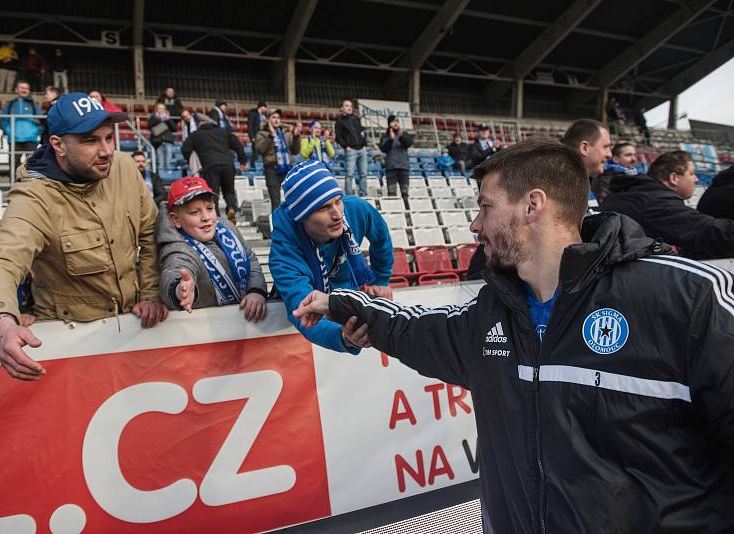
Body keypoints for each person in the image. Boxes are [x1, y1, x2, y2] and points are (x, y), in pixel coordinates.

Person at [293, 138, 734, 533]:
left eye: (485, 207)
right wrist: (341, 303)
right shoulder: (492, 313)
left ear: (532, 205)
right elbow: (415, 330)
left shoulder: (684, 299)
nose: (474, 225)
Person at [0, 92, 168, 381]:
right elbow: (0, 261)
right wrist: (3, 324)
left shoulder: (124, 167)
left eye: (108, 137)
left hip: (137, 334)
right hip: (69, 349)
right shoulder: (34, 196)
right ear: (58, 145)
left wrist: (152, 294)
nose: (106, 151)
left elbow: (151, 233)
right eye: (90, 140)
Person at [269, 159, 393, 354]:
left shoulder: (356, 209)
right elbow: (304, 312)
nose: (337, 214)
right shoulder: (284, 255)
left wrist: (382, 278)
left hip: (347, 296)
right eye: (323, 207)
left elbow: (381, 237)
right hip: (323, 319)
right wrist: (343, 336)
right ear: (302, 217)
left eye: (337, 201)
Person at [156, 176, 267, 320]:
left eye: (209, 208)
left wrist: (256, 290)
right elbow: (175, 269)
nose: (206, 217)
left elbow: (250, 260)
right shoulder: (177, 247)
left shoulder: (227, 227)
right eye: (194, 212)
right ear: (176, 220)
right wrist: (178, 290)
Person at [600, 150, 734, 259]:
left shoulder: (638, 193)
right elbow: (709, 231)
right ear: (674, 178)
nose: (696, 179)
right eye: (691, 173)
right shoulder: (655, 203)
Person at [180, 113, 248, 220]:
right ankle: (231, 208)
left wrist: (189, 158)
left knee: (213, 193)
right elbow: (237, 144)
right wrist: (242, 160)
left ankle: (217, 217)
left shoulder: (196, 135)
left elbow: (185, 148)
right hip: (228, 165)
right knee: (229, 191)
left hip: (210, 166)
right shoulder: (223, 132)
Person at [253, 109, 301, 211]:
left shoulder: (286, 133)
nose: (276, 120)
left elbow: (295, 151)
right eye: (273, 117)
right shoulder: (262, 133)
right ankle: (277, 225)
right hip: (272, 169)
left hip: (287, 169)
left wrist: (296, 137)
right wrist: (271, 135)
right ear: (268, 120)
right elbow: (261, 149)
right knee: (276, 202)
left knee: (292, 199)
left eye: (278, 118)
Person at [0, 80, 43, 169]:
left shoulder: (34, 105)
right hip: (14, 138)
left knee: (32, 164)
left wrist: (35, 132)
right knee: (14, 163)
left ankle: (31, 183)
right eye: (22, 88)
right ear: (16, 90)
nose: (24, 90)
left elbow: (42, 121)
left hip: (31, 139)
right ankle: (14, 183)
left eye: (26, 88)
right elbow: (2, 121)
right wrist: (9, 132)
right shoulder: (9, 104)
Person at [335, 99, 368, 196]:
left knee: (363, 174)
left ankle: (363, 194)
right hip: (351, 150)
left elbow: (363, 132)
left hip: (362, 149)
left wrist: (365, 144)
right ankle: (349, 195)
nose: (349, 108)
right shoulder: (339, 121)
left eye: (350, 106)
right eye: (346, 105)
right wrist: (346, 146)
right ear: (341, 108)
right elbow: (338, 136)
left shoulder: (356, 119)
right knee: (349, 174)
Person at [379, 115, 414, 207]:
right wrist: (390, 139)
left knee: (405, 193)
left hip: (403, 167)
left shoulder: (404, 134)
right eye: (393, 121)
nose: (395, 123)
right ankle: (394, 210)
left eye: (397, 121)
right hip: (391, 167)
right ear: (389, 124)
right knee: (392, 193)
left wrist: (401, 136)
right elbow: (383, 149)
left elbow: (408, 143)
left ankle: (407, 213)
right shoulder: (385, 137)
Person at [148, 102, 178, 173]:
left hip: (168, 141)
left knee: (168, 162)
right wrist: (158, 118)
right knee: (160, 162)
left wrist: (168, 119)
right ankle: (161, 177)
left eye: (162, 108)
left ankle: (169, 175)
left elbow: (174, 129)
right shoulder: (153, 117)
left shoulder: (167, 118)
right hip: (158, 142)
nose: (161, 110)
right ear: (156, 109)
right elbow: (149, 126)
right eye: (159, 108)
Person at [247, 101, 267, 165]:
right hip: (255, 136)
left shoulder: (263, 116)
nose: (266, 109)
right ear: (262, 107)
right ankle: (253, 166)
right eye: (265, 107)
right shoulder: (253, 114)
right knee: (255, 153)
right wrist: (252, 136)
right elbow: (250, 126)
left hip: (262, 137)